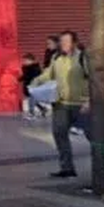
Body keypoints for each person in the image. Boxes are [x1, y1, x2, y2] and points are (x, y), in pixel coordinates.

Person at [31, 31, 91, 178]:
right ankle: (67, 168)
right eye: (61, 41)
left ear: (74, 43)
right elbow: (48, 74)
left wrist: (89, 101)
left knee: (95, 137)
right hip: (61, 104)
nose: (63, 44)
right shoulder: (56, 57)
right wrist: (36, 81)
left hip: (81, 105)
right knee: (59, 134)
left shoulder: (83, 57)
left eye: (66, 41)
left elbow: (93, 79)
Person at [19, 52, 48, 119]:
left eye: (26, 60)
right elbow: (25, 76)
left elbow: (35, 77)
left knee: (31, 100)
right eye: (24, 60)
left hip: (34, 86)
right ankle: (43, 109)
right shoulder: (25, 67)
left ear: (31, 60)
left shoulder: (35, 68)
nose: (24, 62)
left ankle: (31, 113)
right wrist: (20, 79)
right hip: (28, 86)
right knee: (33, 100)